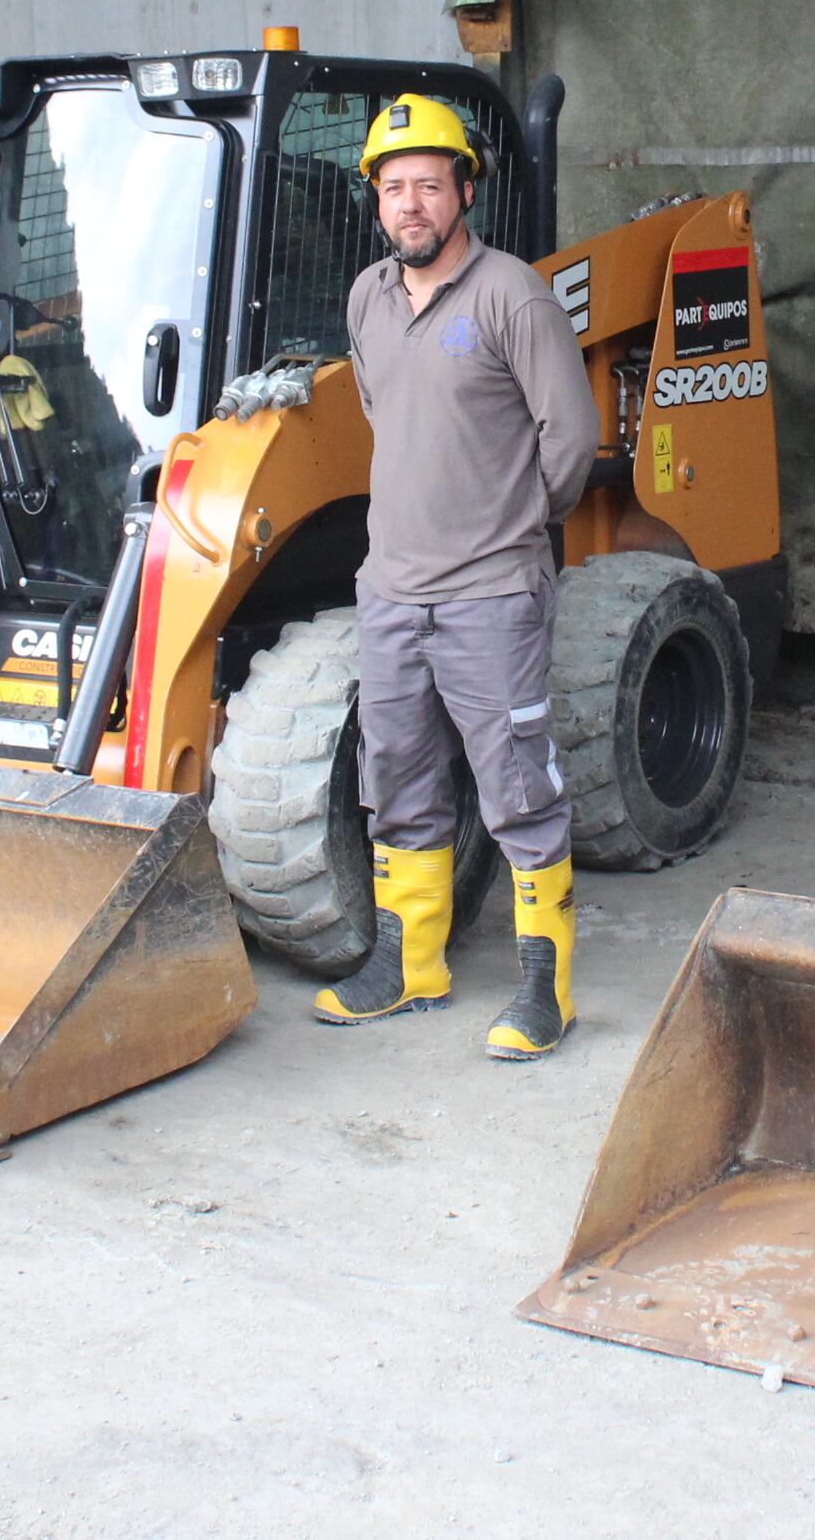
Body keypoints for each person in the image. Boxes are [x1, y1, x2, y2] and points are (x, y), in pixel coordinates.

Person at [313, 94, 599, 1059]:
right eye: (393, 189)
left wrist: (510, 530)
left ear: (463, 193)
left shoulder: (510, 294)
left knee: (517, 787)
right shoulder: (366, 299)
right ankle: (411, 964)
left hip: (489, 593)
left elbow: (571, 436)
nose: (410, 205)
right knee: (395, 778)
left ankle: (541, 990)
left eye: (429, 186)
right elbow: (382, 409)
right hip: (391, 589)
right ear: (377, 202)